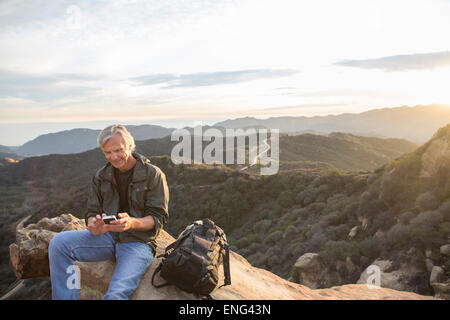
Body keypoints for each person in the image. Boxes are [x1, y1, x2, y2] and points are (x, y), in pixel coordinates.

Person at [48, 124, 169, 300]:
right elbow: (92, 212)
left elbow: (158, 218)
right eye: (108, 152)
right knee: (59, 244)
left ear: (130, 145)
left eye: (118, 150)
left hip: (138, 243)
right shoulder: (101, 176)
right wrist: (94, 226)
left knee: (116, 294)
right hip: (107, 237)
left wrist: (132, 223)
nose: (113, 157)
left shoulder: (153, 174)